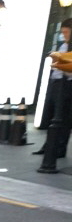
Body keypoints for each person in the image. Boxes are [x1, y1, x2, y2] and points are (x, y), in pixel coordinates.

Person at [33, 18, 72, 157]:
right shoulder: (63, 46)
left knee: (63, 118)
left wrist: (60, 63)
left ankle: (59, 148)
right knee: (51, 116)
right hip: (55, 82)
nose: (65, 35)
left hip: (66, 84)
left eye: (66, 32)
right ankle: (49, 145)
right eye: (63, 32)